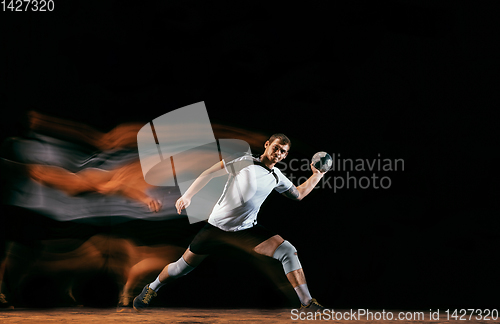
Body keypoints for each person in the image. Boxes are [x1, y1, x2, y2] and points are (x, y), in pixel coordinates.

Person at [133, 133, 327, 311]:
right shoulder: (244, 161)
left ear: (285, 156)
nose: (278, 153)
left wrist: (317, 175)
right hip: (217, 228)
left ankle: (307, 303)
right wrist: (188, 196)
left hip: (247, 229)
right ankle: (151, 288)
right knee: (179, 269)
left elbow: (299, 194)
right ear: (267, 145)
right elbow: (209, 172)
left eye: (283, 152)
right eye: (276, 147)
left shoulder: (277, 177)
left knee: (288, 251)